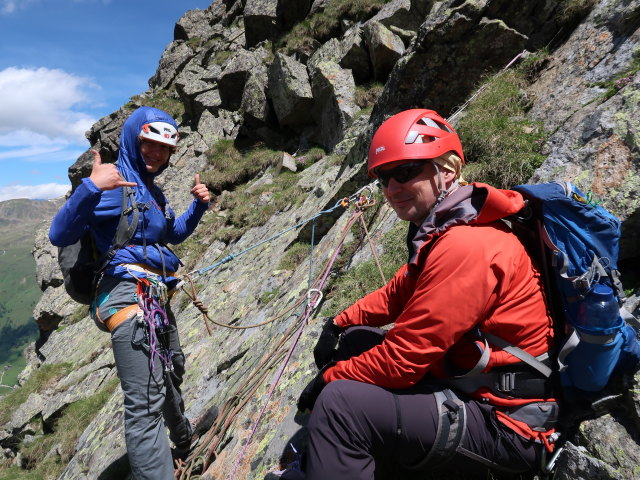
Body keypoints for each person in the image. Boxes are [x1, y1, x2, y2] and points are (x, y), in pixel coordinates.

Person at [296, 109, 557, 479]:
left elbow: (403, 361)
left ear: (446, 171)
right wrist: (339, 323)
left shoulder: (467, 246)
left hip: (508, 425)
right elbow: (397, 293)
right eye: (383, 178)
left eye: (405, 172)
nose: (391, 189)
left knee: (340, 405)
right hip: (474, 387)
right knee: (357, 341)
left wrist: (328, 379)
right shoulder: (447, 231)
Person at [49, 106, 216, 479]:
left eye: (164, 148)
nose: (157, 154)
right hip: (127, 297)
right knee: (144, 406)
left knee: (170, 372)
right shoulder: (113, 186)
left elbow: (170, 234)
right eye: (149, 144)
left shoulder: (151, 191)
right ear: (132, 139)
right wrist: (90, 188)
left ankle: (185, 440)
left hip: (153, 296)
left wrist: (198, 207)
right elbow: (59, 234)